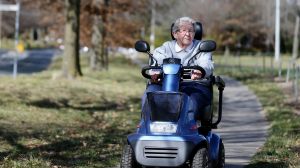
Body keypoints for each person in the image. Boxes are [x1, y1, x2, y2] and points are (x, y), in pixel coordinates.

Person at [142, 16, 214, 120]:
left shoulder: (202, 48)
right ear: (175, 34)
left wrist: (201, 70)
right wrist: (155, 72)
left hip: (193, 85)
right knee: (148, 96)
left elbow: (207, 64)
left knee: (190, 102)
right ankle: (147, 127)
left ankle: (188, 129)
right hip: (164, 84)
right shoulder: (165, 48)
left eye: (191, 31)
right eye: (184, 30)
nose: (188, 34)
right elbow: (157, 60)